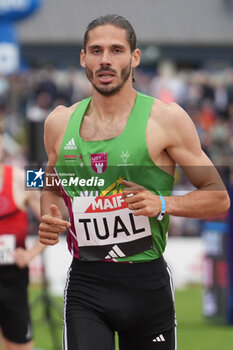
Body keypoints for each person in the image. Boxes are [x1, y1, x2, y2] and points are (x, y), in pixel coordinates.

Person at [39, 15, 230, 350]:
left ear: (135, 57)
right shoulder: (58, 122)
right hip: (87, 283)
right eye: (96, 51)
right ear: (83, 58)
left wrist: (163, 204)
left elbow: (219, 198)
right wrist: (51, 218)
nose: (106, 60)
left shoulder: (166, 120)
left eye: (116, 50)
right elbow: (51, 186)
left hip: (147, 284)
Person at [0, 128, 45, 350]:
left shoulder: (24, 177)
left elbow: (52, 222)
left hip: (12, 278)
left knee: (19, 345)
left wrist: (30, 254)